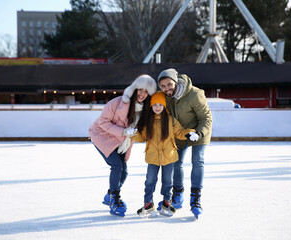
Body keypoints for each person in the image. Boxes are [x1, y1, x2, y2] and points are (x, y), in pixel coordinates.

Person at [88, 74, 157, 217]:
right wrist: (124, 131)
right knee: (117, 166)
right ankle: (114, 199)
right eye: (140, 90)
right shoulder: (117, 102)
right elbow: (103, 122)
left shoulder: (145, 110)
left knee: (124, 172)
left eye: (146, 92)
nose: (142, 94)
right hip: (102, 136)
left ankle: (109, 195)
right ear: (134, 89)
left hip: (121, 141)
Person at [131, 91, 199, 217]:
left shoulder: (171, 120)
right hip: (152, 157)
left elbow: (179, 132)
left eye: (160, 105)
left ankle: (166, 202)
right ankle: (148, 203)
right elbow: (142, 138)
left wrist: (189, 133)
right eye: (155, 105)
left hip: (169, 156)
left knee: (168, 181)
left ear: (164, 106)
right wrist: (133, 134)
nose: (157, 107)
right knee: (150, 181)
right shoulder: (148, 121)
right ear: (151, 106)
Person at [157, 68, 212, 219]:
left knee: (197, 161)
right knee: (176, 162)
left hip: (199, 132)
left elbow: (206, 117)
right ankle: (178, 194)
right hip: (179, 133)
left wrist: (199, 133)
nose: (167, 89)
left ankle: (195, 199)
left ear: (175, 81)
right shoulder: (164, 97)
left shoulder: (194, 94)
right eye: (163, 86)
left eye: (169, 84)